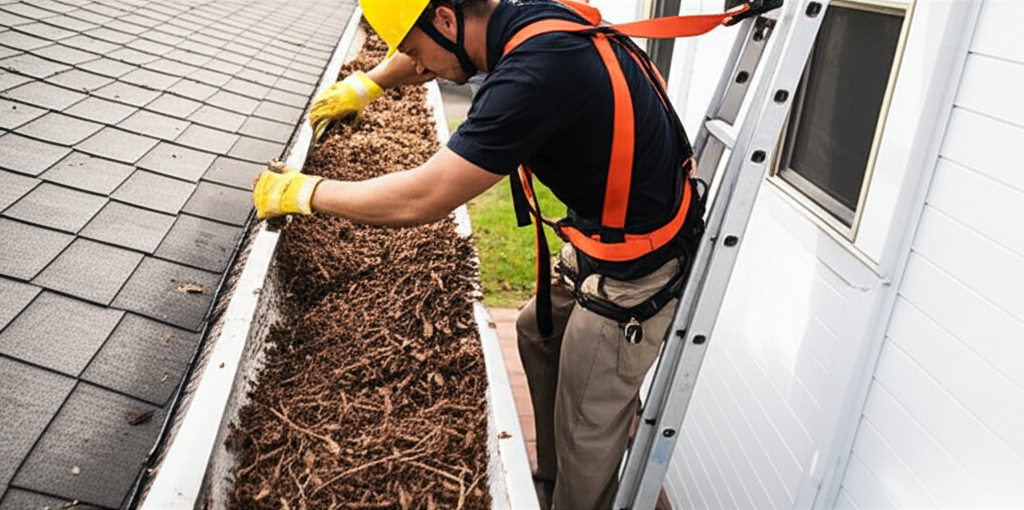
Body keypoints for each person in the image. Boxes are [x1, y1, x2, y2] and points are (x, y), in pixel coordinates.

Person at [253, 0, 752, 507]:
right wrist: (369, 84)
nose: (419, 69)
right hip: (607, 231)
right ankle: (552, 480)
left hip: (639, 268)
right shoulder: (521, 21)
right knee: (537, 329)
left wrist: (305, 193)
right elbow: (428, 50)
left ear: (447, 19)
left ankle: (577, 495)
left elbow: (422, 197)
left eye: (414, 52)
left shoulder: (532, 78)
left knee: (586, 431)